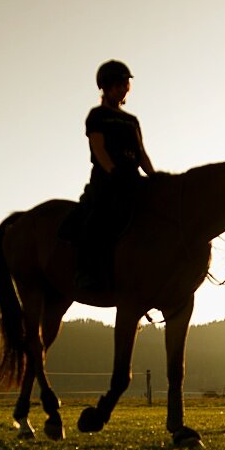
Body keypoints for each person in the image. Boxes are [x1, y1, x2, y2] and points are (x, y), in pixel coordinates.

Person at [75, 60, 157, 290]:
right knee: (98, 215)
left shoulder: (131, 121)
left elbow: (141, 153)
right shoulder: (97, 115)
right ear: (107, 87)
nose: (123, 89)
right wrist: (113, 172)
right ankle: (85, 271)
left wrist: (155, 177)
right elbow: (98, 148)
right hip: (106, 177)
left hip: (132, 177)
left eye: (125, 85)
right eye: (119, 84)